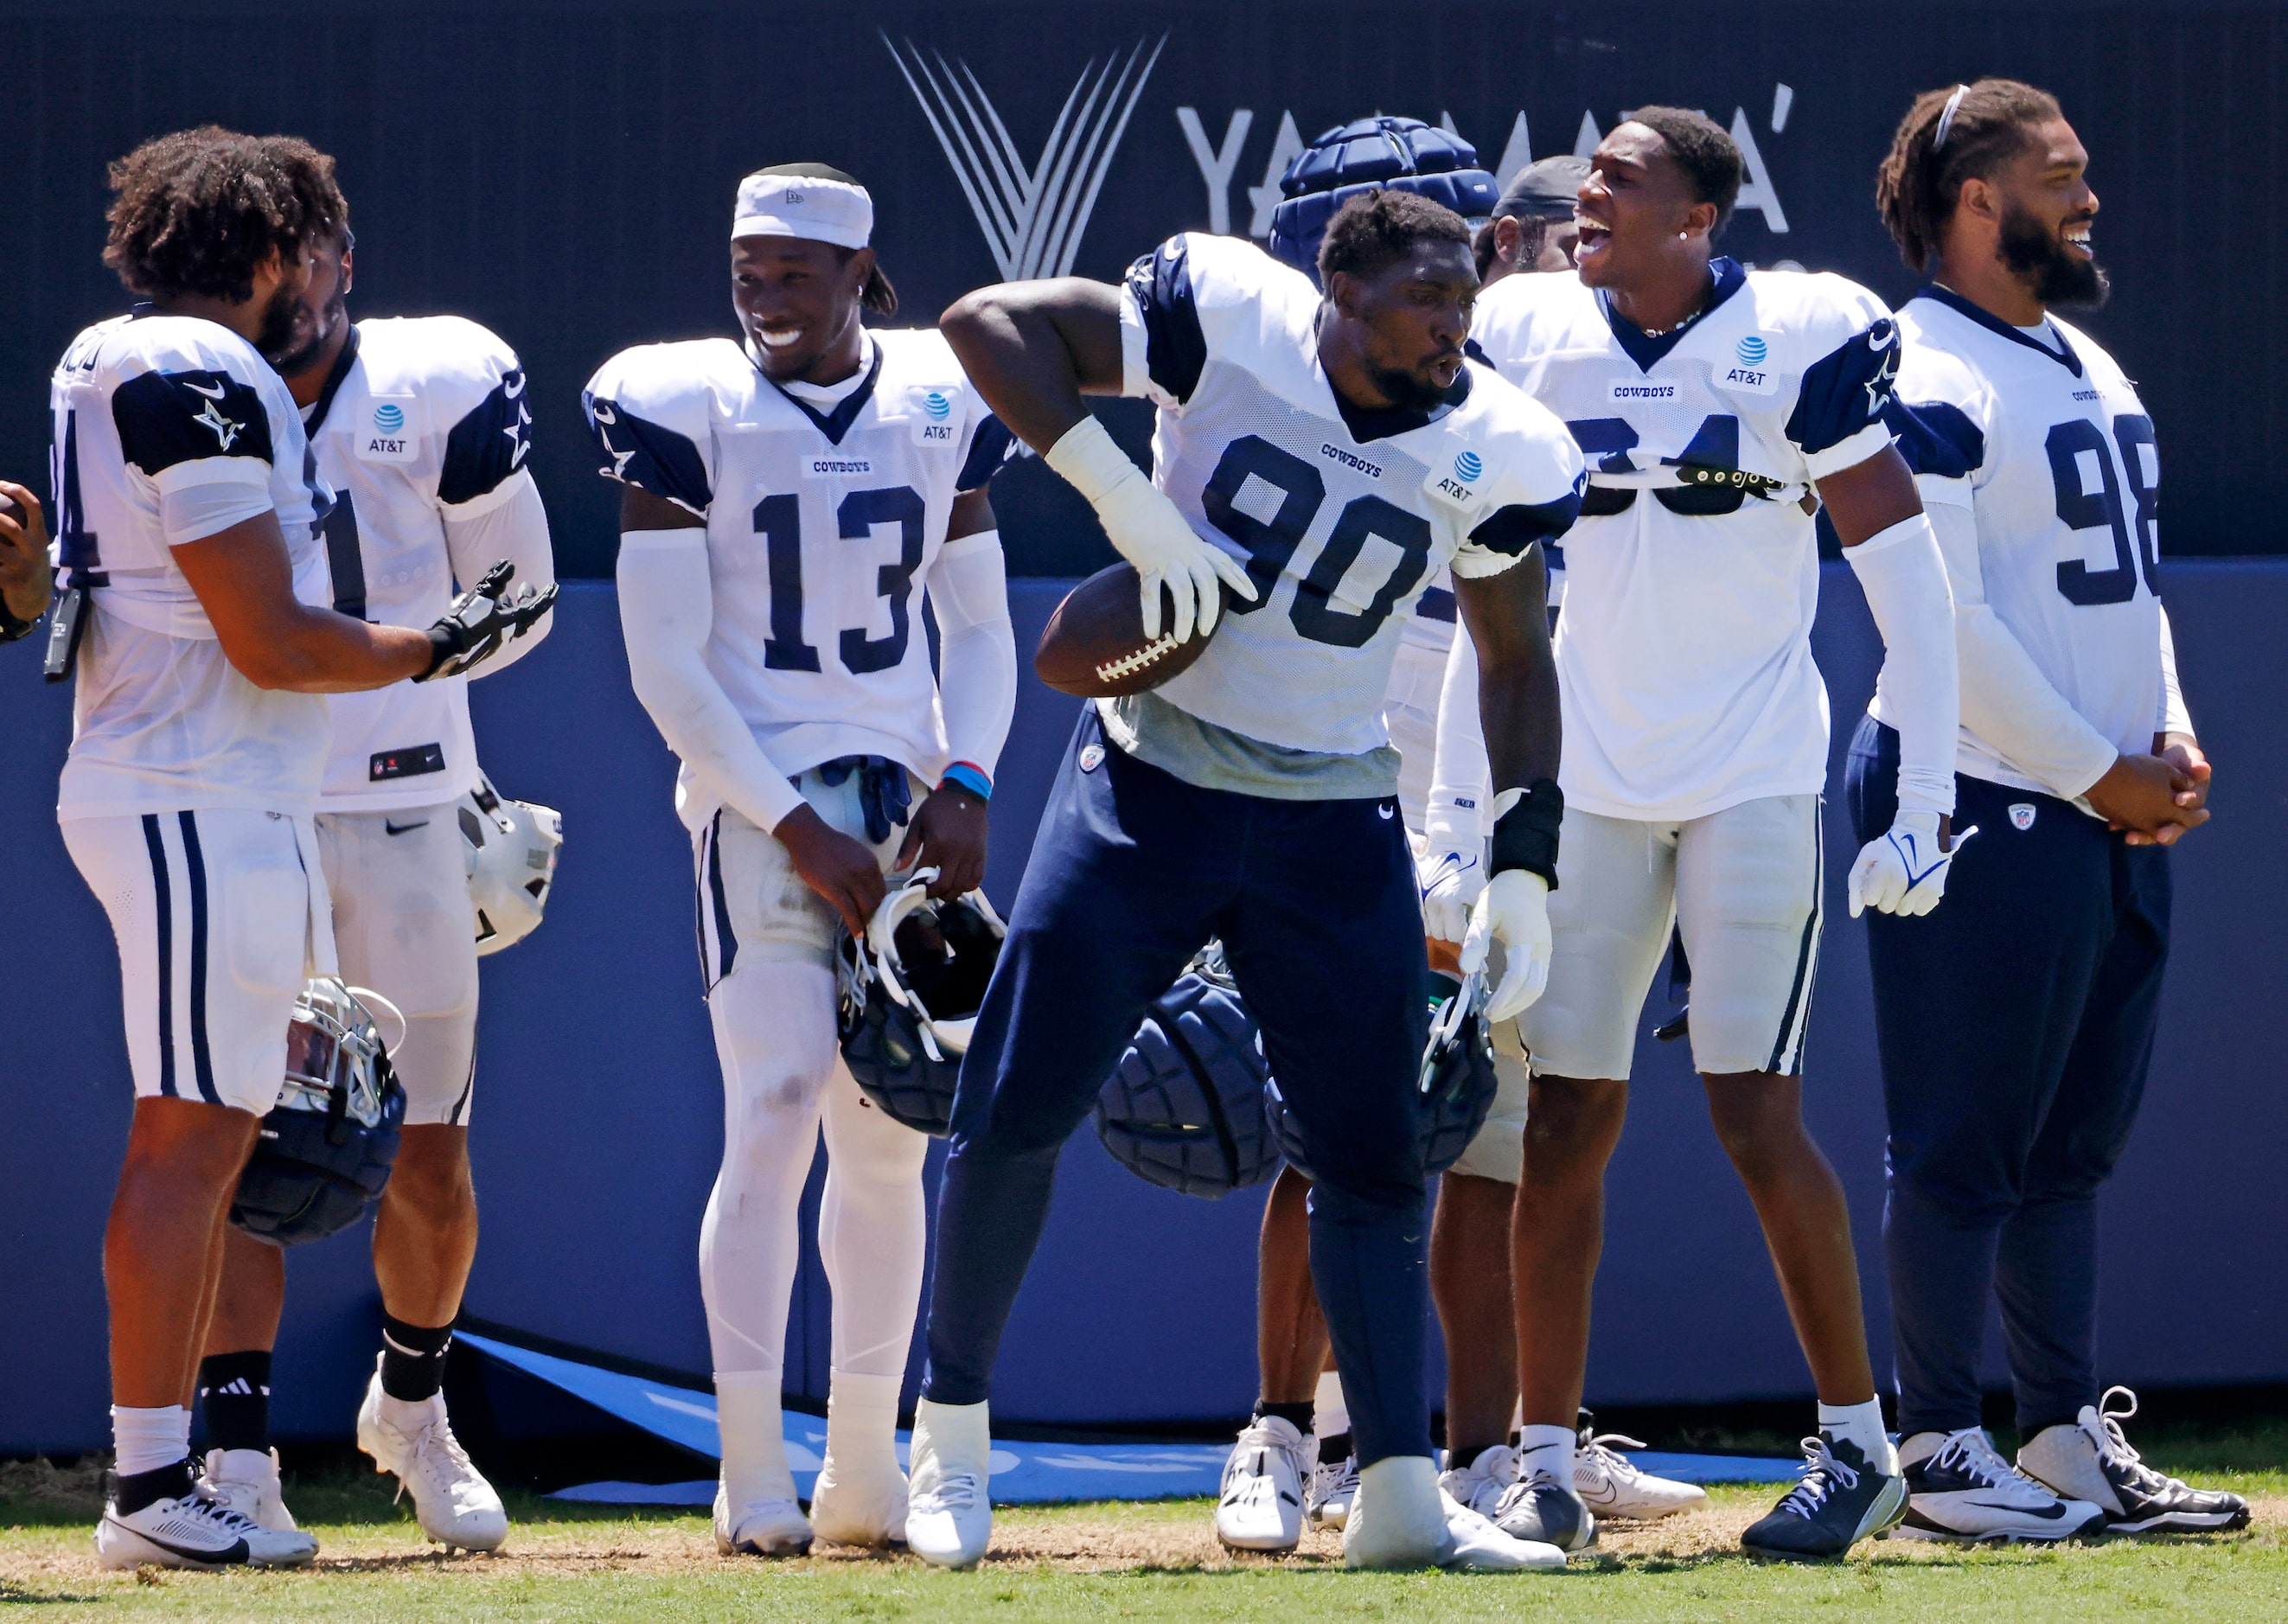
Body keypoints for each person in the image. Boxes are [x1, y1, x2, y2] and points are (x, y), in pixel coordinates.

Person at [913, 188, 1588, 1574]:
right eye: (1421, 299)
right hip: (1147, 778)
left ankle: (1399, 1493)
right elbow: (988, 325)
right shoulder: (1228, 318)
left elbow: (1515, 653)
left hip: (1333, 806)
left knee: (1374, 1156)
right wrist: (1126, 510)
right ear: (1332, 296)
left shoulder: (1498, 440)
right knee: (1015, 1106)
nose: (1453, 324)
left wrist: (1523, 861)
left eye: (1463, 297)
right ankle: (951, 1435)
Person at [1467, 107, 1963, 1560]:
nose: (1588, 194)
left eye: (1624, 178)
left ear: (1699, 217)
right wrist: (1471, 826)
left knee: (1754, 1110)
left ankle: (1858, 1444)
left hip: (1748, 764)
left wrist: (1920, 799)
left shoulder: (1800, 332)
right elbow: (1480, 608)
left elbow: (1908, 584)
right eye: (1589, 175)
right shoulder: (1526, 330)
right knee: (1562, 1117)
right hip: (1594, 773)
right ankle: (1540, 1455)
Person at [56, 126, 546, 1571]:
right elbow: (270, 635)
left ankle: (371, 1417)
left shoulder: (111, 358)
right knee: (211, 1139)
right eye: (311, 247)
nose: (331, 271)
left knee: (287, 1138)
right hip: (208, 782)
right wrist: (423, 640)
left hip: (281, 786)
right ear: (276, 258)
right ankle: (176, 1473)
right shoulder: (201, 376)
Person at [1225, 126, 1700, 1557]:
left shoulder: (1533, 409)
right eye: (1541, 245)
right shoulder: (1336, 386)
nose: (1558, 270)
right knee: (1330, 1128)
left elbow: (1547, 651)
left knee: (1485, 1131)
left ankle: (1493, 1445)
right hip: (1362, 781)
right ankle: (1283, 1433)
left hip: (1513, 789)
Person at [585, 163, 1018, 1557]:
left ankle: (864, 1465)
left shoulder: (939, 393)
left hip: (902, 795)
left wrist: (966, 778)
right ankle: (750, 1464)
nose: (761, 294)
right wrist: (789, 820)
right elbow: (662, 661)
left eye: (790, 271)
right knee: (771, 1102)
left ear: (857, 272)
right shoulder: (683, 403)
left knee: (886, 1141)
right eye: (745, 268)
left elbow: (982, 624)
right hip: (751, 795)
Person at [1863, 78, 2247, 1543]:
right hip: (1971, 792)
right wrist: (2097, 773)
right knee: (1964, 1141)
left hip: (2097, 798)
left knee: (2069, 1149)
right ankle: (1938, 1443)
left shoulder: (2079, 353)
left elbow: (2127, 586)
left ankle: (2065, 1434)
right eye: (2061, 173)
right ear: (1977, 200)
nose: (2088, 197)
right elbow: (1938, 616)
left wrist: (2169, 737)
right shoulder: (1917, 364)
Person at [190, 202, 556, 1551]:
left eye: (307, 255)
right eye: (258, 262)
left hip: (402, 799)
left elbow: (522, 596)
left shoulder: (436, 380)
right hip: (246, 797)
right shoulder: (173, 382)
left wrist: (393, 661)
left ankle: (412, 1402)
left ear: (348, 260)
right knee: (239, 1137)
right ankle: (234, 1450)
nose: (285, 284)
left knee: (429, 1150)